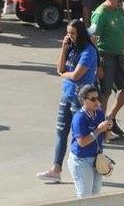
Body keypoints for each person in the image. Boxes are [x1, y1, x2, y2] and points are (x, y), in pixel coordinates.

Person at [37, 19, 99, 184]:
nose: (69, 36)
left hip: (81, 100)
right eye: (68, 33)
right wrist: (64, 48)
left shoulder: (89, 51)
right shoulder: (71, 48)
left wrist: (63, 74)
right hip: (67, 95)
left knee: (81, 135)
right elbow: (59, 67)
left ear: (81, 34)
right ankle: (56, 169)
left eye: (73, 33)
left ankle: (92, 166)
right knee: (61, 132)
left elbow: (76, 75)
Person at [89, 0, 124, 136]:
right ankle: (100, 128)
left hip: (119, 55)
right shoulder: (101, 14)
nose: (122, 2)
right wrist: (97, 65)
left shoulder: (119, 10)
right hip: (105, 56)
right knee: (105, 92)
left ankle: (110, 117)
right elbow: (93, 39)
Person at [69, 84, 111, 198]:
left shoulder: (99, 113)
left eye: (98, 98)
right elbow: (82, 142)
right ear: (84, 100)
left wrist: (108, 128)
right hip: (81, 161)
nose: (97, 102)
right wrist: (98, 130)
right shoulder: (79, 118)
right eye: (93, 99)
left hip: (96, 160)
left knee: (95, 196)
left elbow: (106, 139)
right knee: (85, 197)